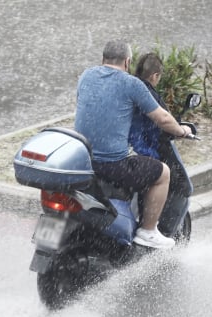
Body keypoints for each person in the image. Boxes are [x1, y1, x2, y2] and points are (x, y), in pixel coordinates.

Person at [75, 40, 192, 249]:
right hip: (111, 164)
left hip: (84, 159)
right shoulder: (131, 83)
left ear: (102, 59)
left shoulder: (86, 76)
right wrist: (182, 130)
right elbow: (163, 119)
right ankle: (148, 232)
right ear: (127, 62)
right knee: (163, 173)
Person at [129, 53, 167, 160]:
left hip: (123, 148)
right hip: (142, 151)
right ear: (155, 76)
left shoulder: (127, 86)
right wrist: (181, 130)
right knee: (164, 171)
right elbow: (165, 120)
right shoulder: (150, 94)